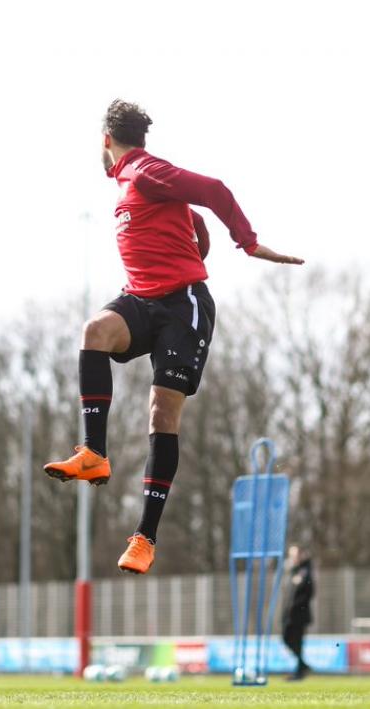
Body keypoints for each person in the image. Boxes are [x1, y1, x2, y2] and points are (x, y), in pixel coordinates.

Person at [44, 99, 304, 574]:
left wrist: (246, 242)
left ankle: (145, 537)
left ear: (105, 141)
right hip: (142, 300)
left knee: (162, 413)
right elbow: (192, 219)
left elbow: (212, 189)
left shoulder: (144, 171)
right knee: (95, 331)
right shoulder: (132, 184)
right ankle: (94, 454)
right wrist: (195, 236)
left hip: (182, 308)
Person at [282, 544, 314, 680]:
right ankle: (302, 667)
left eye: (294, 555)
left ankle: (300, 671)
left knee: (297, 642)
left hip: (299, 615)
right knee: (287, 639)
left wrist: (296, 607)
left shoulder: (305, 571)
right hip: (290, 614)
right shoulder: (294, 571)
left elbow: (309, 592)